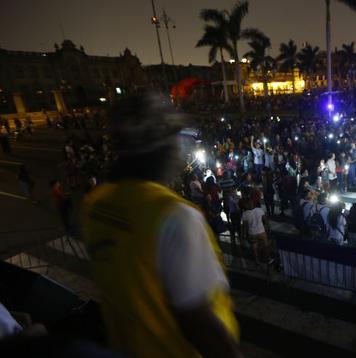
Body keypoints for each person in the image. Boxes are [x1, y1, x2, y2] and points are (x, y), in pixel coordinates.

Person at [82, 92, 240, 357]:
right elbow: (198, 323)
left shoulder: (95, 203)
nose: (182, 150)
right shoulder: (174, 215)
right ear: (162, 147)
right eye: (178, 138)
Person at [240, 196, 271, 264]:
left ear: (246, 205)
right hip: (262, 232)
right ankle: (268, 258)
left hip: (252, 234)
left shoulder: (245, 214)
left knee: (254, 249)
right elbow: (265, 220)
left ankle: (257, 261)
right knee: (266, 246)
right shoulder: (259, 210)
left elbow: (245, 226)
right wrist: (268, 228)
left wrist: (244, 235)